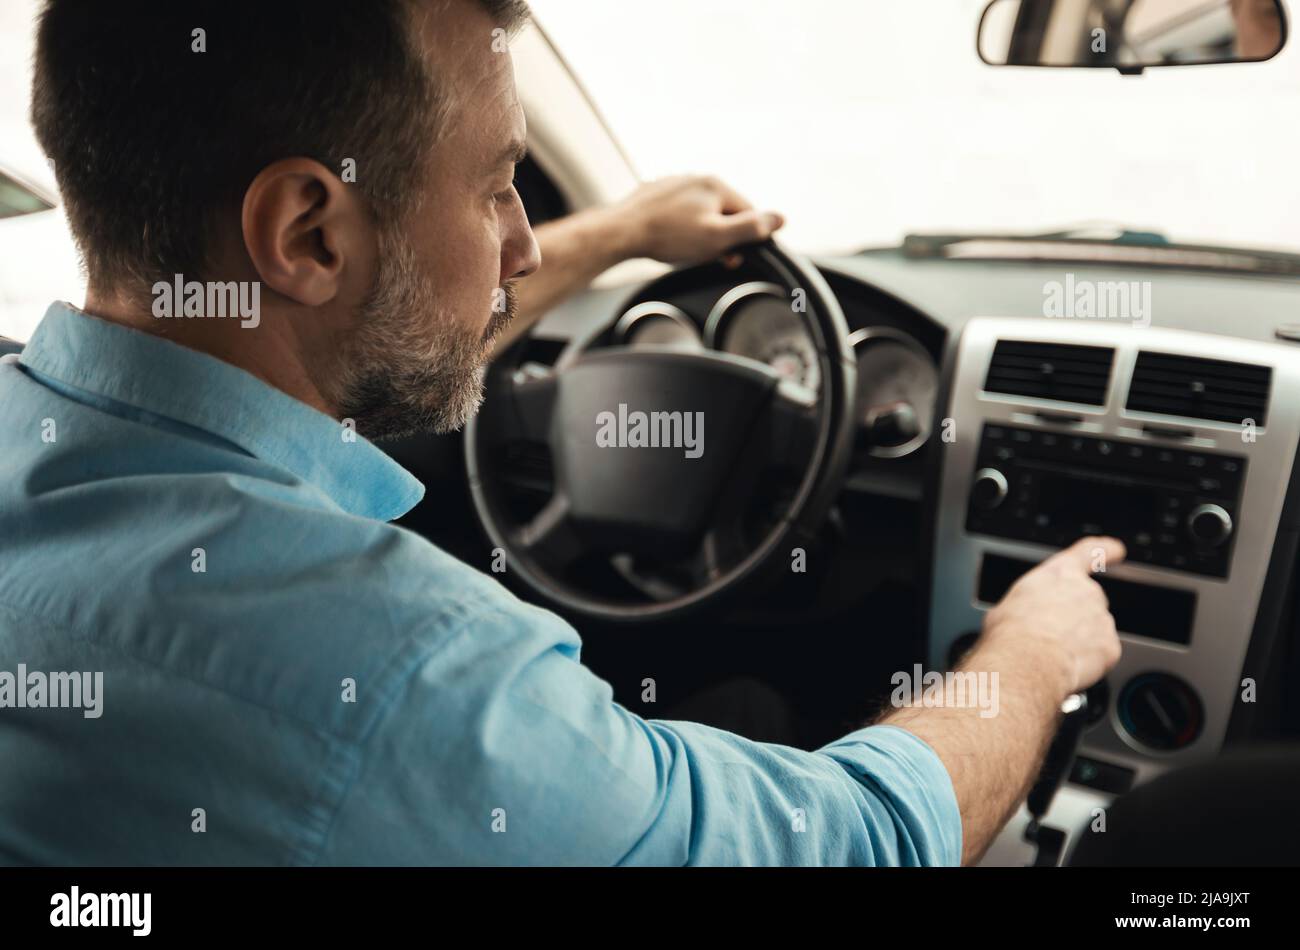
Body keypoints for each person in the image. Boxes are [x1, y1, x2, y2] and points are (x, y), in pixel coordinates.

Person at [0, 0, 1122, 865]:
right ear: (307, 233)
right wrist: (1028, 656)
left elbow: (384, 309)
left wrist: (624, 232)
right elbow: (844, 845)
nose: (526, 244)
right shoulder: (401, 672)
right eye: (496, 186)